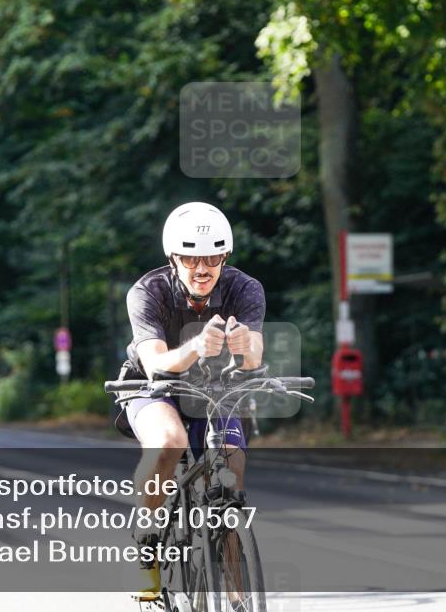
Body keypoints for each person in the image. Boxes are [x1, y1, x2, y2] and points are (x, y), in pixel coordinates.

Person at [118, 202, 265, 599]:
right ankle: (147, 540)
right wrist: (198, 346)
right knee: (170, 443)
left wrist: (244, 343)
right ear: (173, 257)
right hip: (152, 387)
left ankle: (238, 594)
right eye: (190, 258)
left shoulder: (243, 288)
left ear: (225, 257)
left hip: (212, 388)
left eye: (213, 257)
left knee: (230, 463)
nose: (202, 268)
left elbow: (254, 355)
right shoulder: (148, 292)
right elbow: (157, 363)